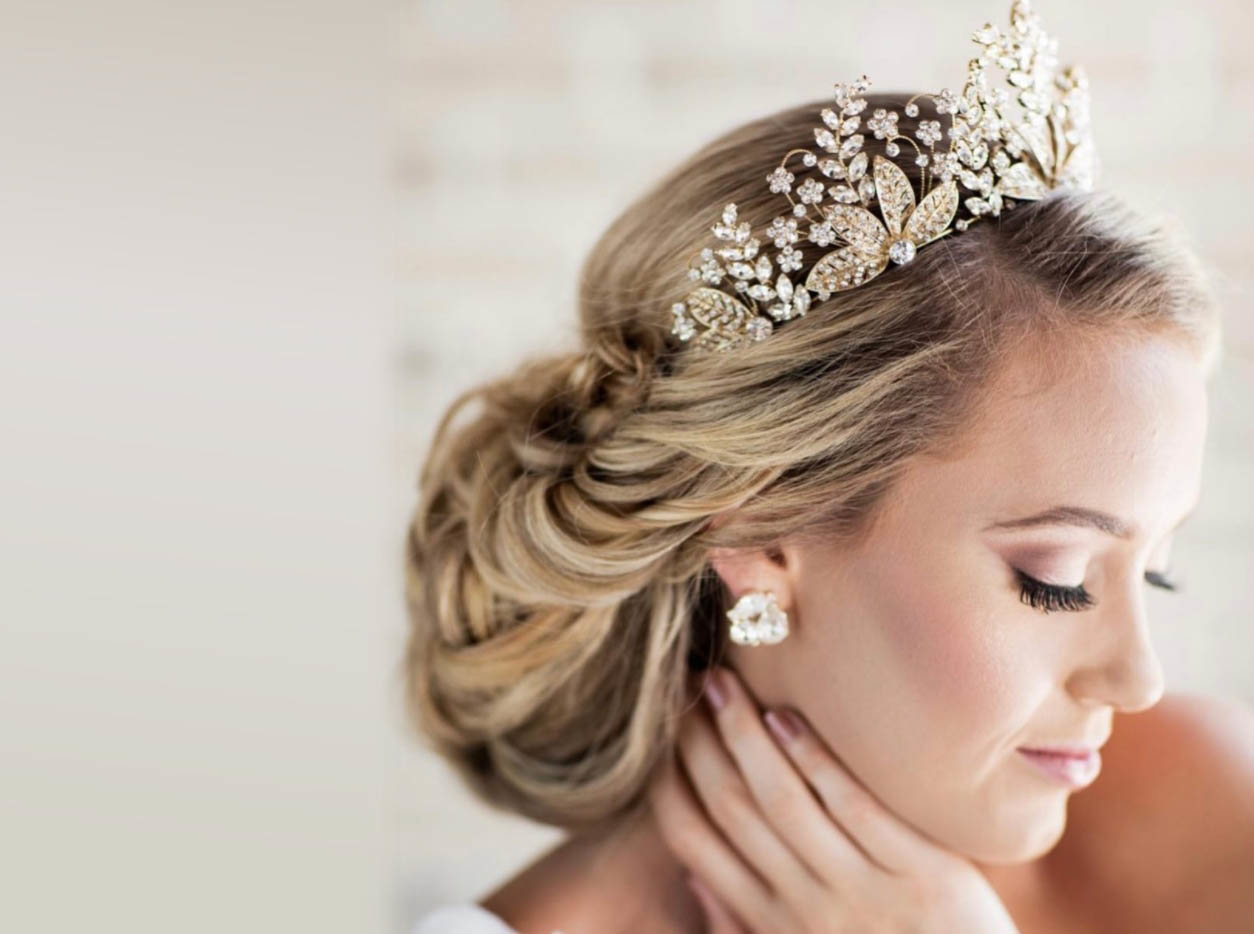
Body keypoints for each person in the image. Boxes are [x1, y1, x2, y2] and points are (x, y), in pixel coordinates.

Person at [404, 4, 1252, 931]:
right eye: (1052, 580)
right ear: (763, 532)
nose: (1136, 680)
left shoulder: (1208, 805)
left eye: (1157, 571)